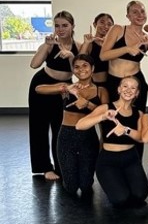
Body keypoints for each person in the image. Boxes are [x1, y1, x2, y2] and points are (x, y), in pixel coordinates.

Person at [35, 54, 108, 197]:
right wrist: (65, 88)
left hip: (88, 137)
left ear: (92, 68)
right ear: (73, 70)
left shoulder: (101, 91)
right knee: (71, 187)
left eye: (85, 66)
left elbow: (105, 114)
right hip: (66, 136)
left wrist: (88, 104)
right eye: (77, 67)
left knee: (86, 185)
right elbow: (39, 89)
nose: (81, 69)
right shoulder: (68, 87)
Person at [76, 76, 148, 208]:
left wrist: (125, 130)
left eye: (133, 87)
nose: (128, 90)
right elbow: (80, 125)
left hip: (131, 157)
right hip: (108, 160)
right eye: (125, 86)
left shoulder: (139, 114)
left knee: (140, 195)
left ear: (137, 93)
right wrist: (102, 116)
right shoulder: (106, 107)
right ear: (119, 89)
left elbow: (140, 137)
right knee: (121, 199)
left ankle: (124, 181)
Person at [28, 10, 80, 180]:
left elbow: (79, 73)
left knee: (60, 129)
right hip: (42, 85)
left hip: (63, 89)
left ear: (72, 26)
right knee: (39, 128)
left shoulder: (78, 46)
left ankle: (61, 166)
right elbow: (34, 64)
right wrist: (47, 46)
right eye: (57, 26)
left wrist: (72, 56)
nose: (60, 29)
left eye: (65, 25)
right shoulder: (50, 43)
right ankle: (44, 167)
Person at [100, 0, 148, 113]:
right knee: (114, 117)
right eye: (135, 12)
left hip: (136, 82)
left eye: (142, 11)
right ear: (128, 16)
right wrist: (127, 49)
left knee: (137, 117)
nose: (140, 15)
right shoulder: (118, 29)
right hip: (115, 81)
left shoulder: (147, 38)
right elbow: (103, 55)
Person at [79, 13, 114, 86]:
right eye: (102, 22)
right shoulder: (89, 44)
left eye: (109, 24)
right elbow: (79, 62)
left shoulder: (113, 44)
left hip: (113, 85)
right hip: (95, 85)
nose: (106, 26)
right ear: (95, 24)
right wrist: (86, 43)